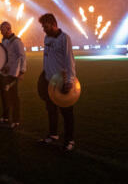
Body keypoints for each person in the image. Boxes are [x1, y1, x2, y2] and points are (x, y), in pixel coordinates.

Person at [37, 13, 76, 152]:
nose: (43, 29)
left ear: (53, 24)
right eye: (42, 26)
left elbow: (69, 60)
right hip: (49, 81)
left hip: (61, 80)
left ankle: (69, 140)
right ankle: (53, 134)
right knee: (51, 110)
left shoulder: (64, 38)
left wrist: (70, 80)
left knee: (67, 112)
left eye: (45, 26)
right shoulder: (47, 38)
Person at [0, 21, 26, 129]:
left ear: (8, 29)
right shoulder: (4, 40)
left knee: (14, 97)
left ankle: (16, 119)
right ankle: (5, 117)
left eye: (2, 30)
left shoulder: (17, 41)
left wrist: (22, 71)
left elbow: (22, 56)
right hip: (3, 72)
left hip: (13, 73)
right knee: (4, 96)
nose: (0, 32)